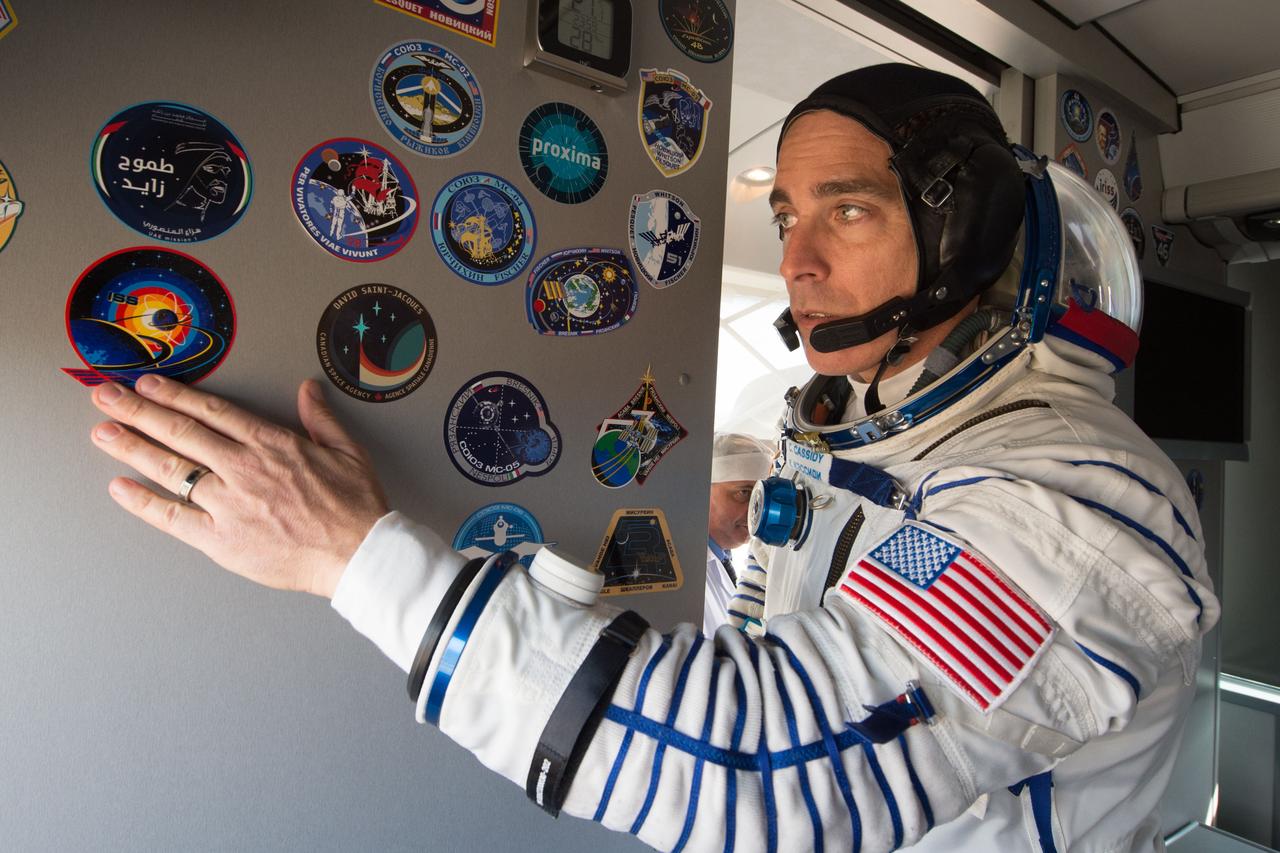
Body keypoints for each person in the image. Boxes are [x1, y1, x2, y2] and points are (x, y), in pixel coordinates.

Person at [87, 63, 1216, 852]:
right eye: (783, 217)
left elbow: (767, 768)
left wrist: (352, 555)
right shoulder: (871, 436)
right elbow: (797, 642)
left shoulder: (1074, 498)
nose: (797, 261)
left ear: (963, 234)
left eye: (848, 211)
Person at [704, 432, 775, 635]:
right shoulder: (686, 570)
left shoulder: (734, 561)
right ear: (703, 488)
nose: (757, 510)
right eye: (743, 493)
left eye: (760, 497)